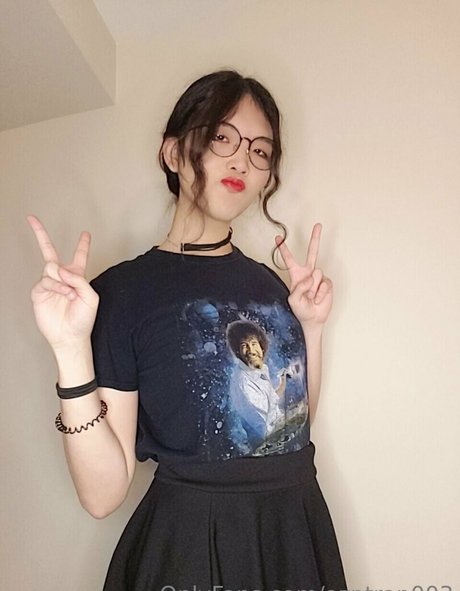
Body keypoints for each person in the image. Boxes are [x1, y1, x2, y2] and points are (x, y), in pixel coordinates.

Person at [28, 70, 347, 590]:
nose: (242, 160)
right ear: (173, 153)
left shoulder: (269, 285)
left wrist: (312, 327)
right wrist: (69, 348)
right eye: (222, 137)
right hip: (195, 544)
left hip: (293, 529)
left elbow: (293, 426)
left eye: (261, 151)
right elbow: (103, 496)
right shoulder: (122, 293)